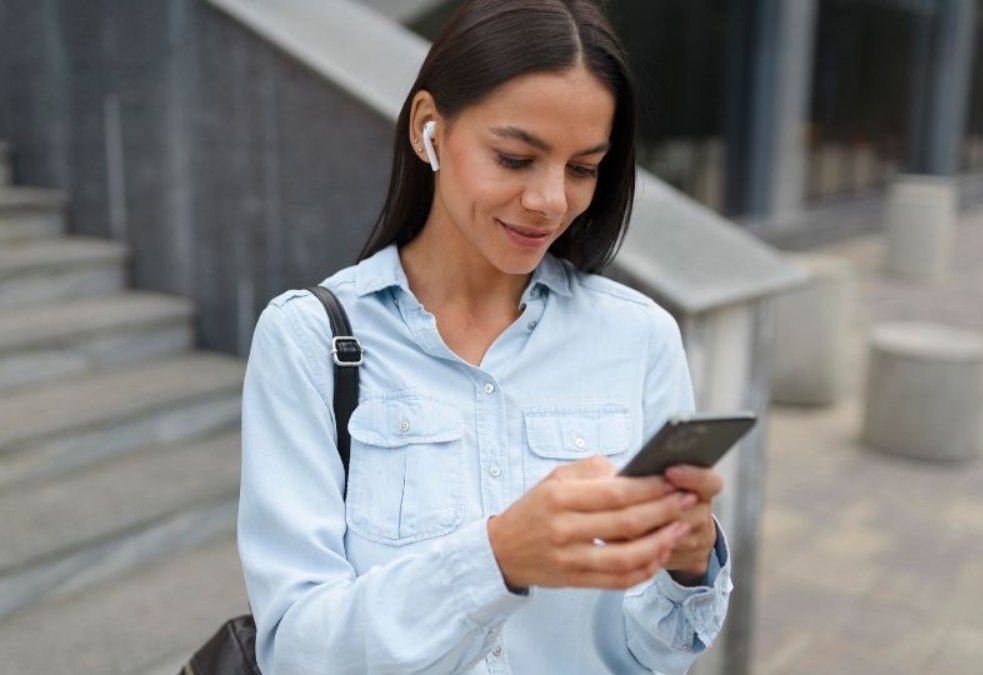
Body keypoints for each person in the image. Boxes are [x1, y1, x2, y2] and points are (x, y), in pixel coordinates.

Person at [236, 1, 732, 672]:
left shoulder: (641, 338)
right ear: (429, 128)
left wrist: (687, 566)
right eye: (515, 157)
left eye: (583, 168)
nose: (550, 200)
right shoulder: (306, 340)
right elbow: (298, 650)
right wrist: (496, 559)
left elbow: (654, 657)